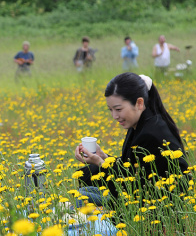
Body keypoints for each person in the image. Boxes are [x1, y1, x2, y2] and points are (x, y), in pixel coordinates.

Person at [75, 72, 188, 209]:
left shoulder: (150, 134)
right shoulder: (139, 123)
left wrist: (100, 162)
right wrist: (103, 156)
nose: (114, 116)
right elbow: (130, 168)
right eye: (110, 110)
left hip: (155, 208)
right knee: (85, 179)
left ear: (139, 103)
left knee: (81, 199)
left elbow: (135, 186)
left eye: (118, 109)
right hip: (138, 196)